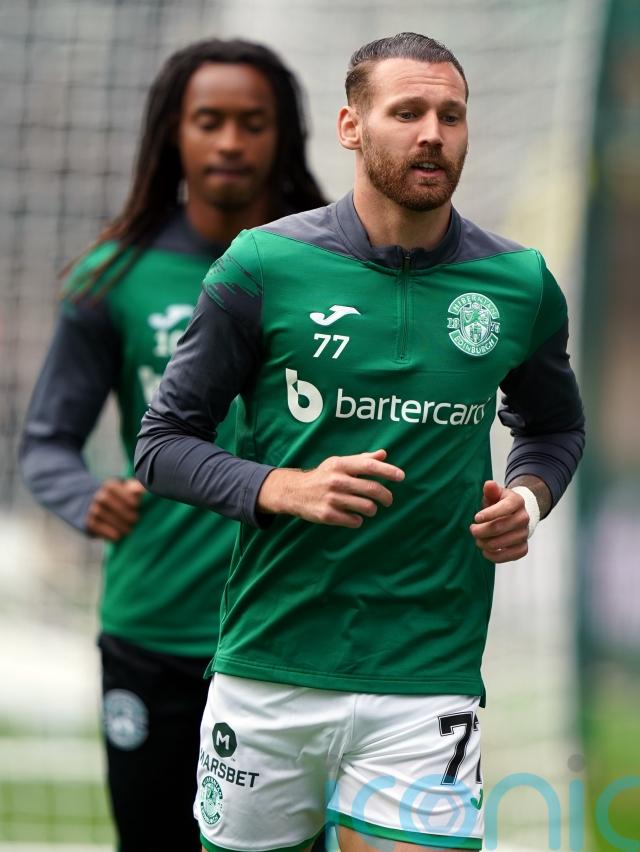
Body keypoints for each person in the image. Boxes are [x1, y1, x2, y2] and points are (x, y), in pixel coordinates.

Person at [135, 32, 585, 852]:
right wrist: (282, 486)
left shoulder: (520, 283)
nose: (433, 134)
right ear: (351, 126)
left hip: (427, 674)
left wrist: (526, 497)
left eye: (451, 115)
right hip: (270, 670)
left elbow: (553, 426)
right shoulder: (263, 265)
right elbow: (162, 443)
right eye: (407, 112)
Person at [20, 38, 326, 851]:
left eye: (253, 123)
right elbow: (47, 442)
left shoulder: (333, 271)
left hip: (295, 625)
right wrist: (86, 497)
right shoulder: (112, 278)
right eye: (209, 121)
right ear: (173, 134)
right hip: (153, 626)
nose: (230, 142)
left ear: (284, 137)